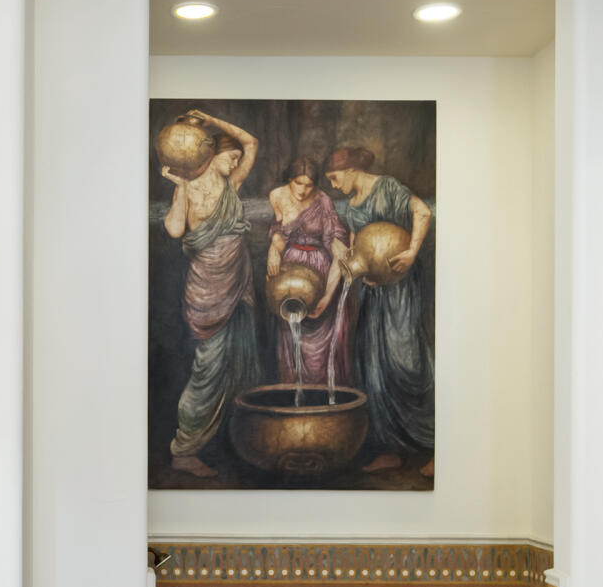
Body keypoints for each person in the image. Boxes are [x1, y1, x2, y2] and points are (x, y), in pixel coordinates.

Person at [159, 110, 262, 477]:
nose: (235, 161)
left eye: (235, 158)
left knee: (234, 363)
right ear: (209, 155)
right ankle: (184, 450)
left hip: (237, 284)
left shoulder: (231, 185)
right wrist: (182, 186)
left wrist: (208, 119)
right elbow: (174, 230)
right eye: (229, 156)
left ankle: (232, 441)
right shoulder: (189, 187)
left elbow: (251, 142)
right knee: (207, 370)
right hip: (208, 286)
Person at [323, 143, 435, 478]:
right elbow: (360, 244)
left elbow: (422, 212)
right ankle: (389, 448)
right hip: (374, 293)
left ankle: (434, 445)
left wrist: (412, 252)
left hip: (399, 289)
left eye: (334, 176)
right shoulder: (353, 202)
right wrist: (359, 267)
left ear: (352, 169)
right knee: (373, 364)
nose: (332, 183)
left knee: (406, 361)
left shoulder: (387, 187)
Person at [264, 160, 351, 389]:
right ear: (289, 180)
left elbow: (339, 251)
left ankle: (321, 396)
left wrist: (326, 296)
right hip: (289, 270)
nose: (303, 190)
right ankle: (294, 398)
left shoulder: (323, 202)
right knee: (291, 335)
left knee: (319, 338)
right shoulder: (277, 196)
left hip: (320, 271)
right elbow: (280, 233)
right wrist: (273, 251)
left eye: (309, 185)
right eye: (298, 183)